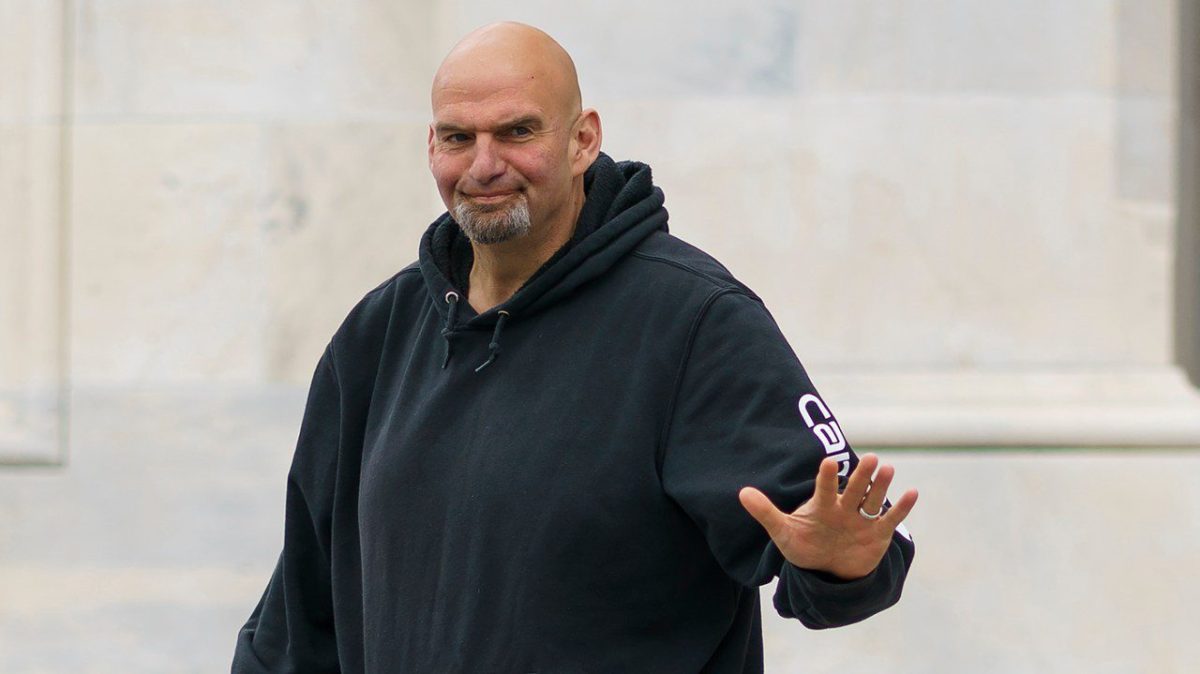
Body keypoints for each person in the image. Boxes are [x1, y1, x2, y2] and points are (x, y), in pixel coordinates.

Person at [233, 21, 918, 674]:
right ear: (431, 147)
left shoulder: (695, 322)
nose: (484, 165)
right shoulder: (376, 335)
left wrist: (844, 562)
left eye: (517, 131)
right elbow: (298, 619)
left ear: (583, 139)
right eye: (458, 138)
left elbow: (838, 535)